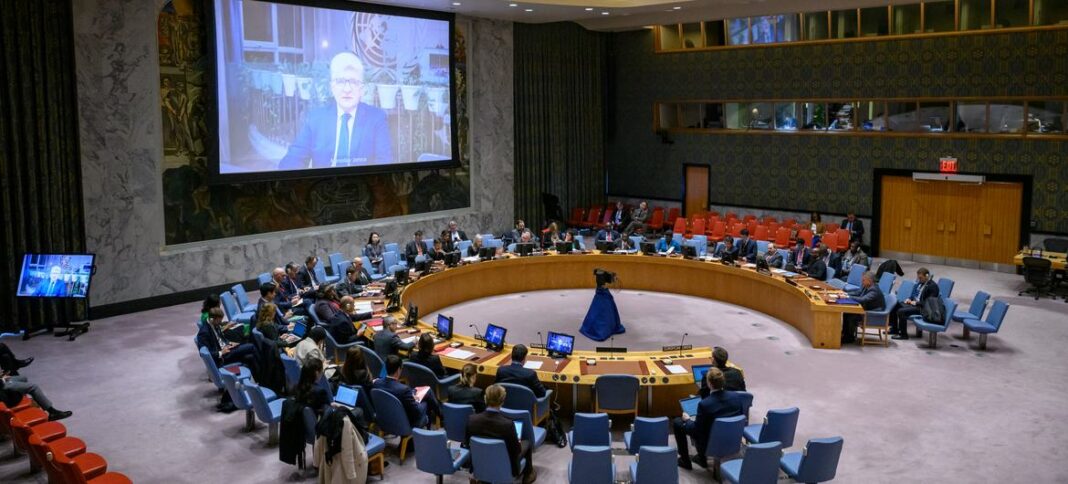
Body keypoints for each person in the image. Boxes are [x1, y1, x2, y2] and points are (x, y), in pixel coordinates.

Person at [277, 52, 392, 169]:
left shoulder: (376, 118)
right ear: (332, 87)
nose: (347, 89)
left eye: (354, 82)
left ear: (362, 89)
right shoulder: (315, 118)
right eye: (340, 81)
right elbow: (294, 158)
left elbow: (384, 164)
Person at [673, 368, 746, 470]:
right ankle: (699, 458)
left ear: (710, 384)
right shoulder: (737, 397)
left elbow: (695, 430)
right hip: (733, 439)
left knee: (677, 422)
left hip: (709, 444)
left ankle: (686, 461)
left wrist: (688, 420)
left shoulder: (705, 404)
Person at [464, 384, 534, 483]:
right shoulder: (508, 425)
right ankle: (528, 475)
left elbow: (467, 444)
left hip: (480, 464)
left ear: (485, 399)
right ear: (502, 402)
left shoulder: (471, 420)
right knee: (527, 442)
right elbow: (516, 451)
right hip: (505, 466)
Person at [372, 355, 435, 428]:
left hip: (385, 418)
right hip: (404, 424)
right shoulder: (404, 389)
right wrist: (417, 401)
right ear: (399, 370)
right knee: (426, 402)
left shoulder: (376, 383)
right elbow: (417, 412)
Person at [891, 267, 940, 340]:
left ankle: (903, 335)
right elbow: (914, 294)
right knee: (894, 305)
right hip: (914, 304)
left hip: (922, 308)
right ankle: (894, 329)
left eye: (920, 278)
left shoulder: (933, 287)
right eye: (918, 278)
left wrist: (917, 303)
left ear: (927, 276)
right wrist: (909, 299)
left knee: (901, 311)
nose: (919, 280)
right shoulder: (920, 283)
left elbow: (929, 303)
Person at [0, 373, 72, 421]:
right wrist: (3, 380)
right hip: (2, 389)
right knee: (34, 387)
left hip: (2, 382)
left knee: (23, 378)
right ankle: (52, 412)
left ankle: (28, 406)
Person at [845, 272, 884, 344]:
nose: (862, 282)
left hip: (872, 313)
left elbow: (863, 299)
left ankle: (849, 338)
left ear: (869, 281)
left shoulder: (874, 290)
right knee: (847, 312)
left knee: (850, 315)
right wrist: (845, 294)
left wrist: (848, 297)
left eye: (863, 280)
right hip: (866, 308)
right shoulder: (866, 286)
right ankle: (846, 335)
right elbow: (858, 293)